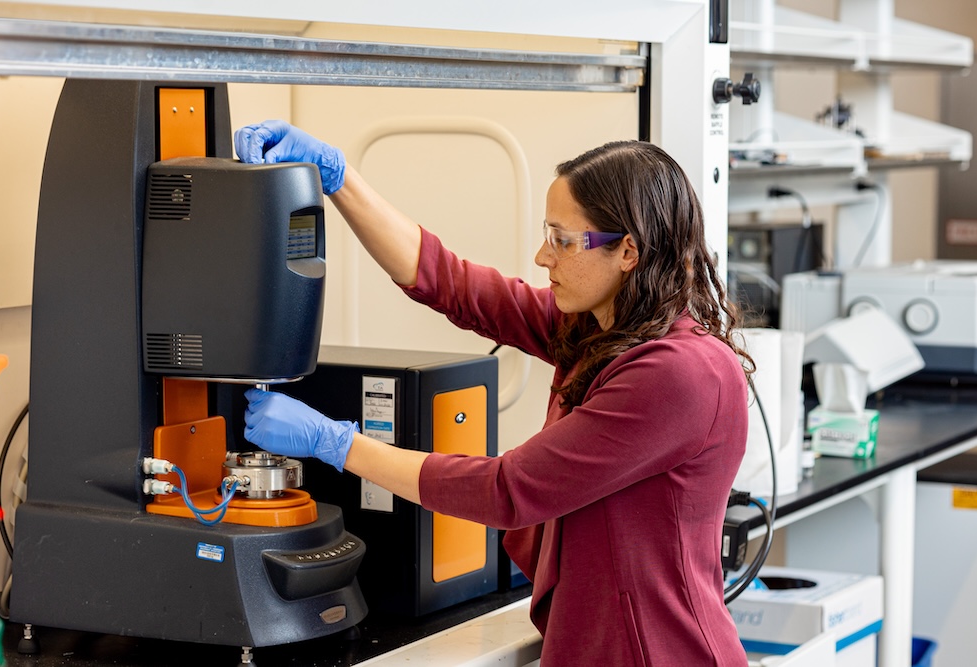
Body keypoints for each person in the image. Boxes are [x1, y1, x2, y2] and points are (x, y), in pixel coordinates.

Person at [235, 120, 754, 667]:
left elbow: (508, 490)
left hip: (659, 652)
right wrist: (340, 180)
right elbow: (455, 285)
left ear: (628, 251)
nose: (542, 256)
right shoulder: (605, 331)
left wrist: (337, 444)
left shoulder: (678, 373)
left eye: (562, 240)